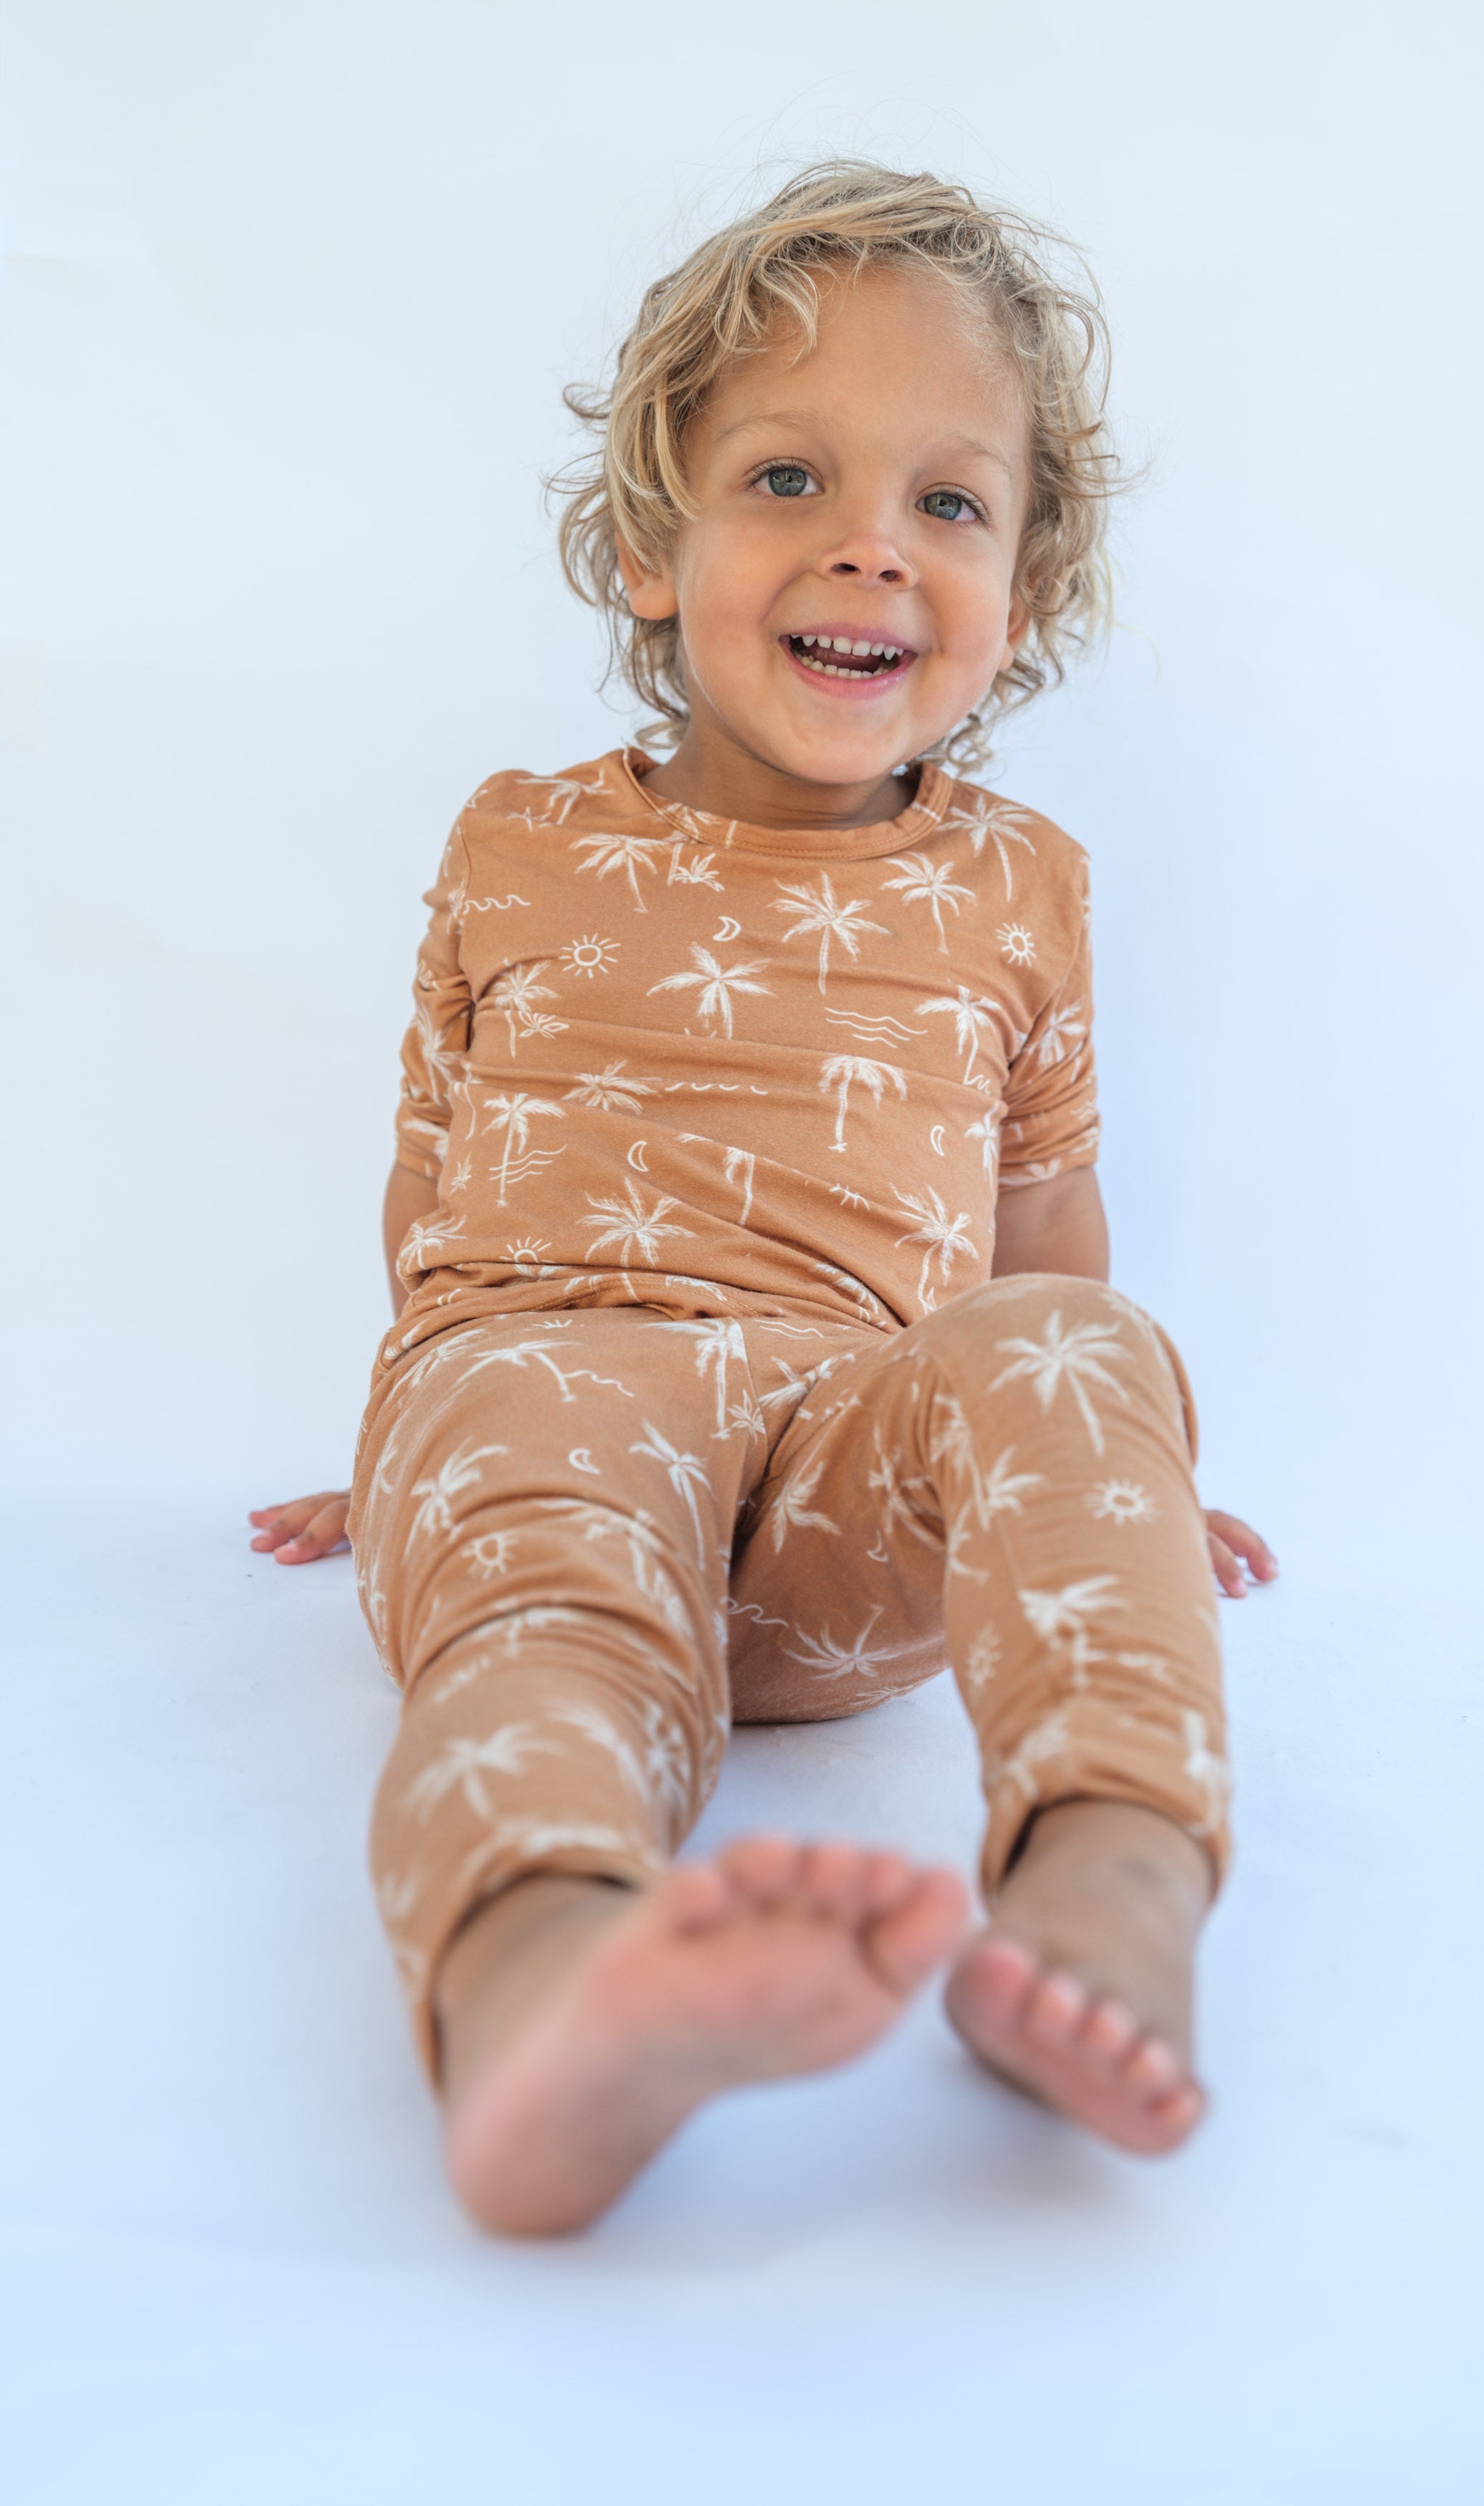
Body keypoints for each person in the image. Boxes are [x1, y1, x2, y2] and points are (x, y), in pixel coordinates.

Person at [251, 163, 1275, 2237]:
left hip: (843, 1499)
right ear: (649, 542)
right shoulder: (515, 843)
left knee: (1088, 1345)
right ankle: (542, 1986)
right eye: (789, 475)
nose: (868, 548)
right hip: (545, 1395)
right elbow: (436, 1168)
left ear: (1023, 582)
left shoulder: (1022, 884)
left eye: (947, 503)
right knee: (538, 1604)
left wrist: (1086, 1455)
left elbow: (1039, 1227)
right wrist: (426, 1436)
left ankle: (1108, 1874)